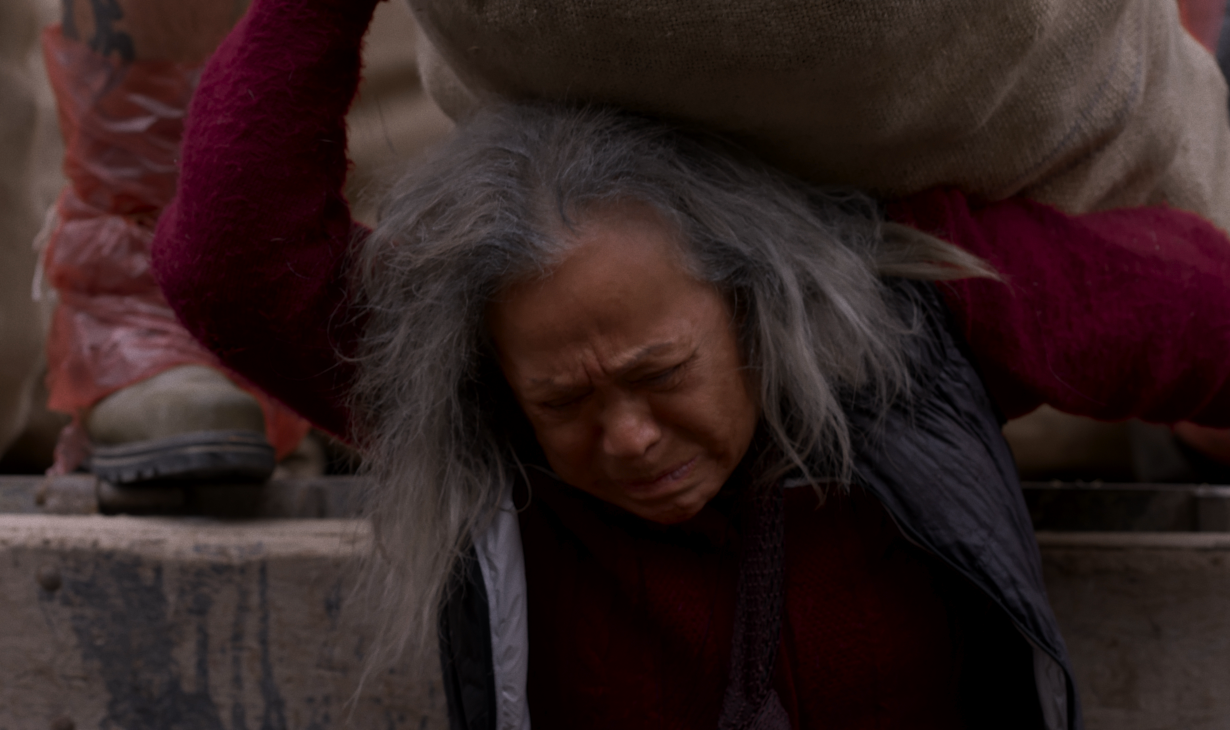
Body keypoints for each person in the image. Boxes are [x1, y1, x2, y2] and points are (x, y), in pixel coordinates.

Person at [153, 0, 1230, 728]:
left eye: (661, 371)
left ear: (755, 306)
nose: (623, 438)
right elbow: (231, 266)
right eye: (566, 398)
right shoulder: (491, 413)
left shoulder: (910, 334)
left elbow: (1190, 307)